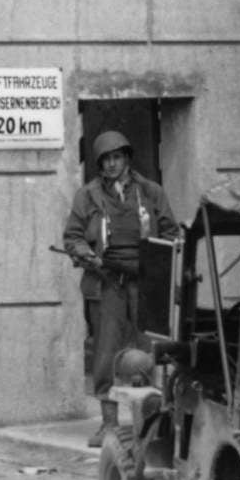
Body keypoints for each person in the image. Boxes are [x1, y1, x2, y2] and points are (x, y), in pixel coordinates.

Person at [62, 129, 179, 435]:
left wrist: (159, 262)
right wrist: (86, 254)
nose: (112, 165)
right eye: (106, 160)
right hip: (107, 283)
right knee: (105, 351)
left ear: (127, 158)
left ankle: (151, 423)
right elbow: (72, 236)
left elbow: (171, 232)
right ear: (99, 165)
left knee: (149, 350)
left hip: (145, 283)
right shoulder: (87, 196)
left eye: (117, 157)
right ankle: (109, 423)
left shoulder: (152, 192)